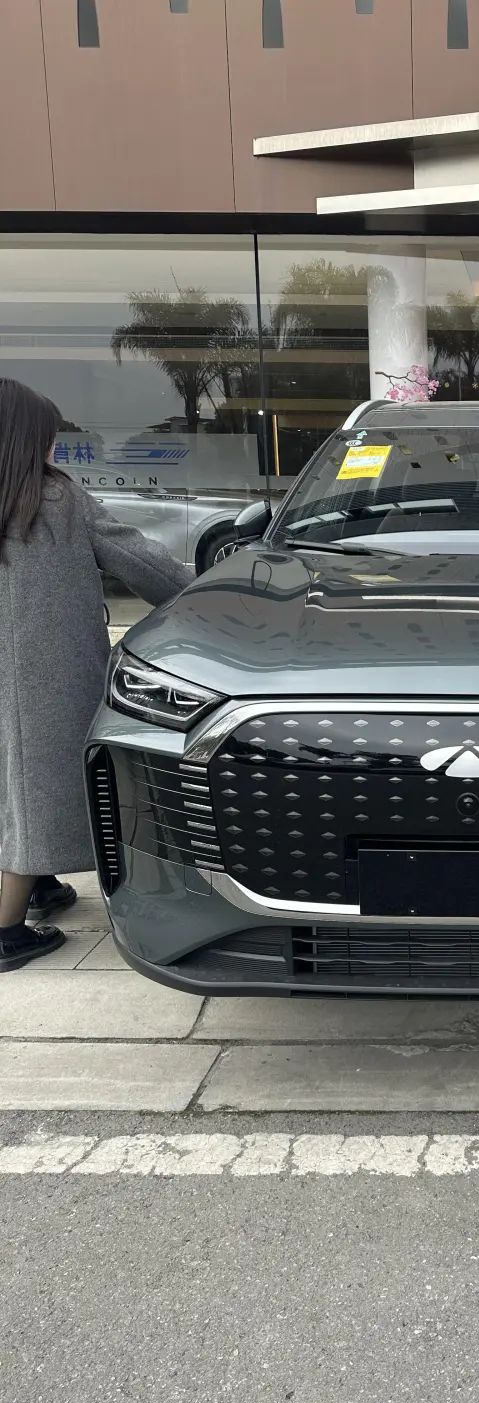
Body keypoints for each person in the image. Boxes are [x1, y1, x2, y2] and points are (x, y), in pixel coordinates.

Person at [0, 378, 190, 971]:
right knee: (39, 782)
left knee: (13, 778)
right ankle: (5, 932)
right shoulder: (56, 500)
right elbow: (141, 562)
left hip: (12, 675)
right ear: (30, 440)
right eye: (51, 437)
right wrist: (207, 589)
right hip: (44, 674)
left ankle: (40, 883)